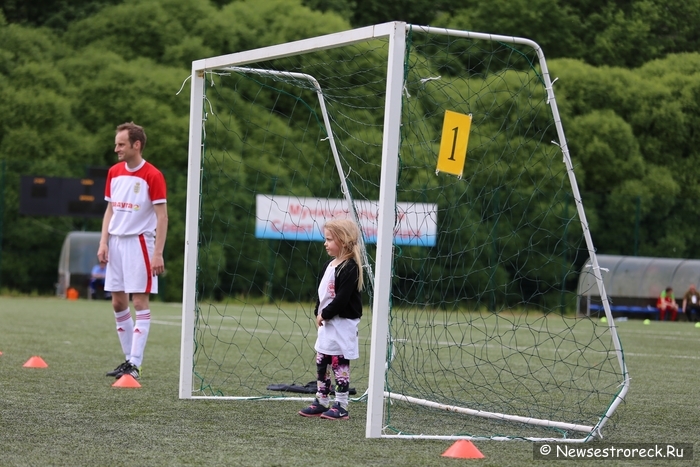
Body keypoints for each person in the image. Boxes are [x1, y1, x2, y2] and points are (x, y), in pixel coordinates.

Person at [97, 122, 168, 381]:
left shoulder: (153, 175)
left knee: (139, 302)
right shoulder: (114, 172)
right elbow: (110, 210)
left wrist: (157, 253)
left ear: (136, 145)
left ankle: (135, 364)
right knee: (117, 302)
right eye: (116, 144)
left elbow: (162, 217)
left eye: (121, 144)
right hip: (115, 243)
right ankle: (128, 362)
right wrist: (103, 241)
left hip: (140, 243)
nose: (116, 148)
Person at [298, 219, 364, 420]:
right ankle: (321, 400)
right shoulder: (329, 265)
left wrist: (325, 314)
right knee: (322, 361)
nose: (325, 243)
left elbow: (342, 299)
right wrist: (318, 310)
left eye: (329, 239)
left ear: (343, 241)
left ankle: (341, 405)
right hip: (327, 325)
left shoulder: (350, 267)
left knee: (339, 363)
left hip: (342, 325)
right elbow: (323, 293)